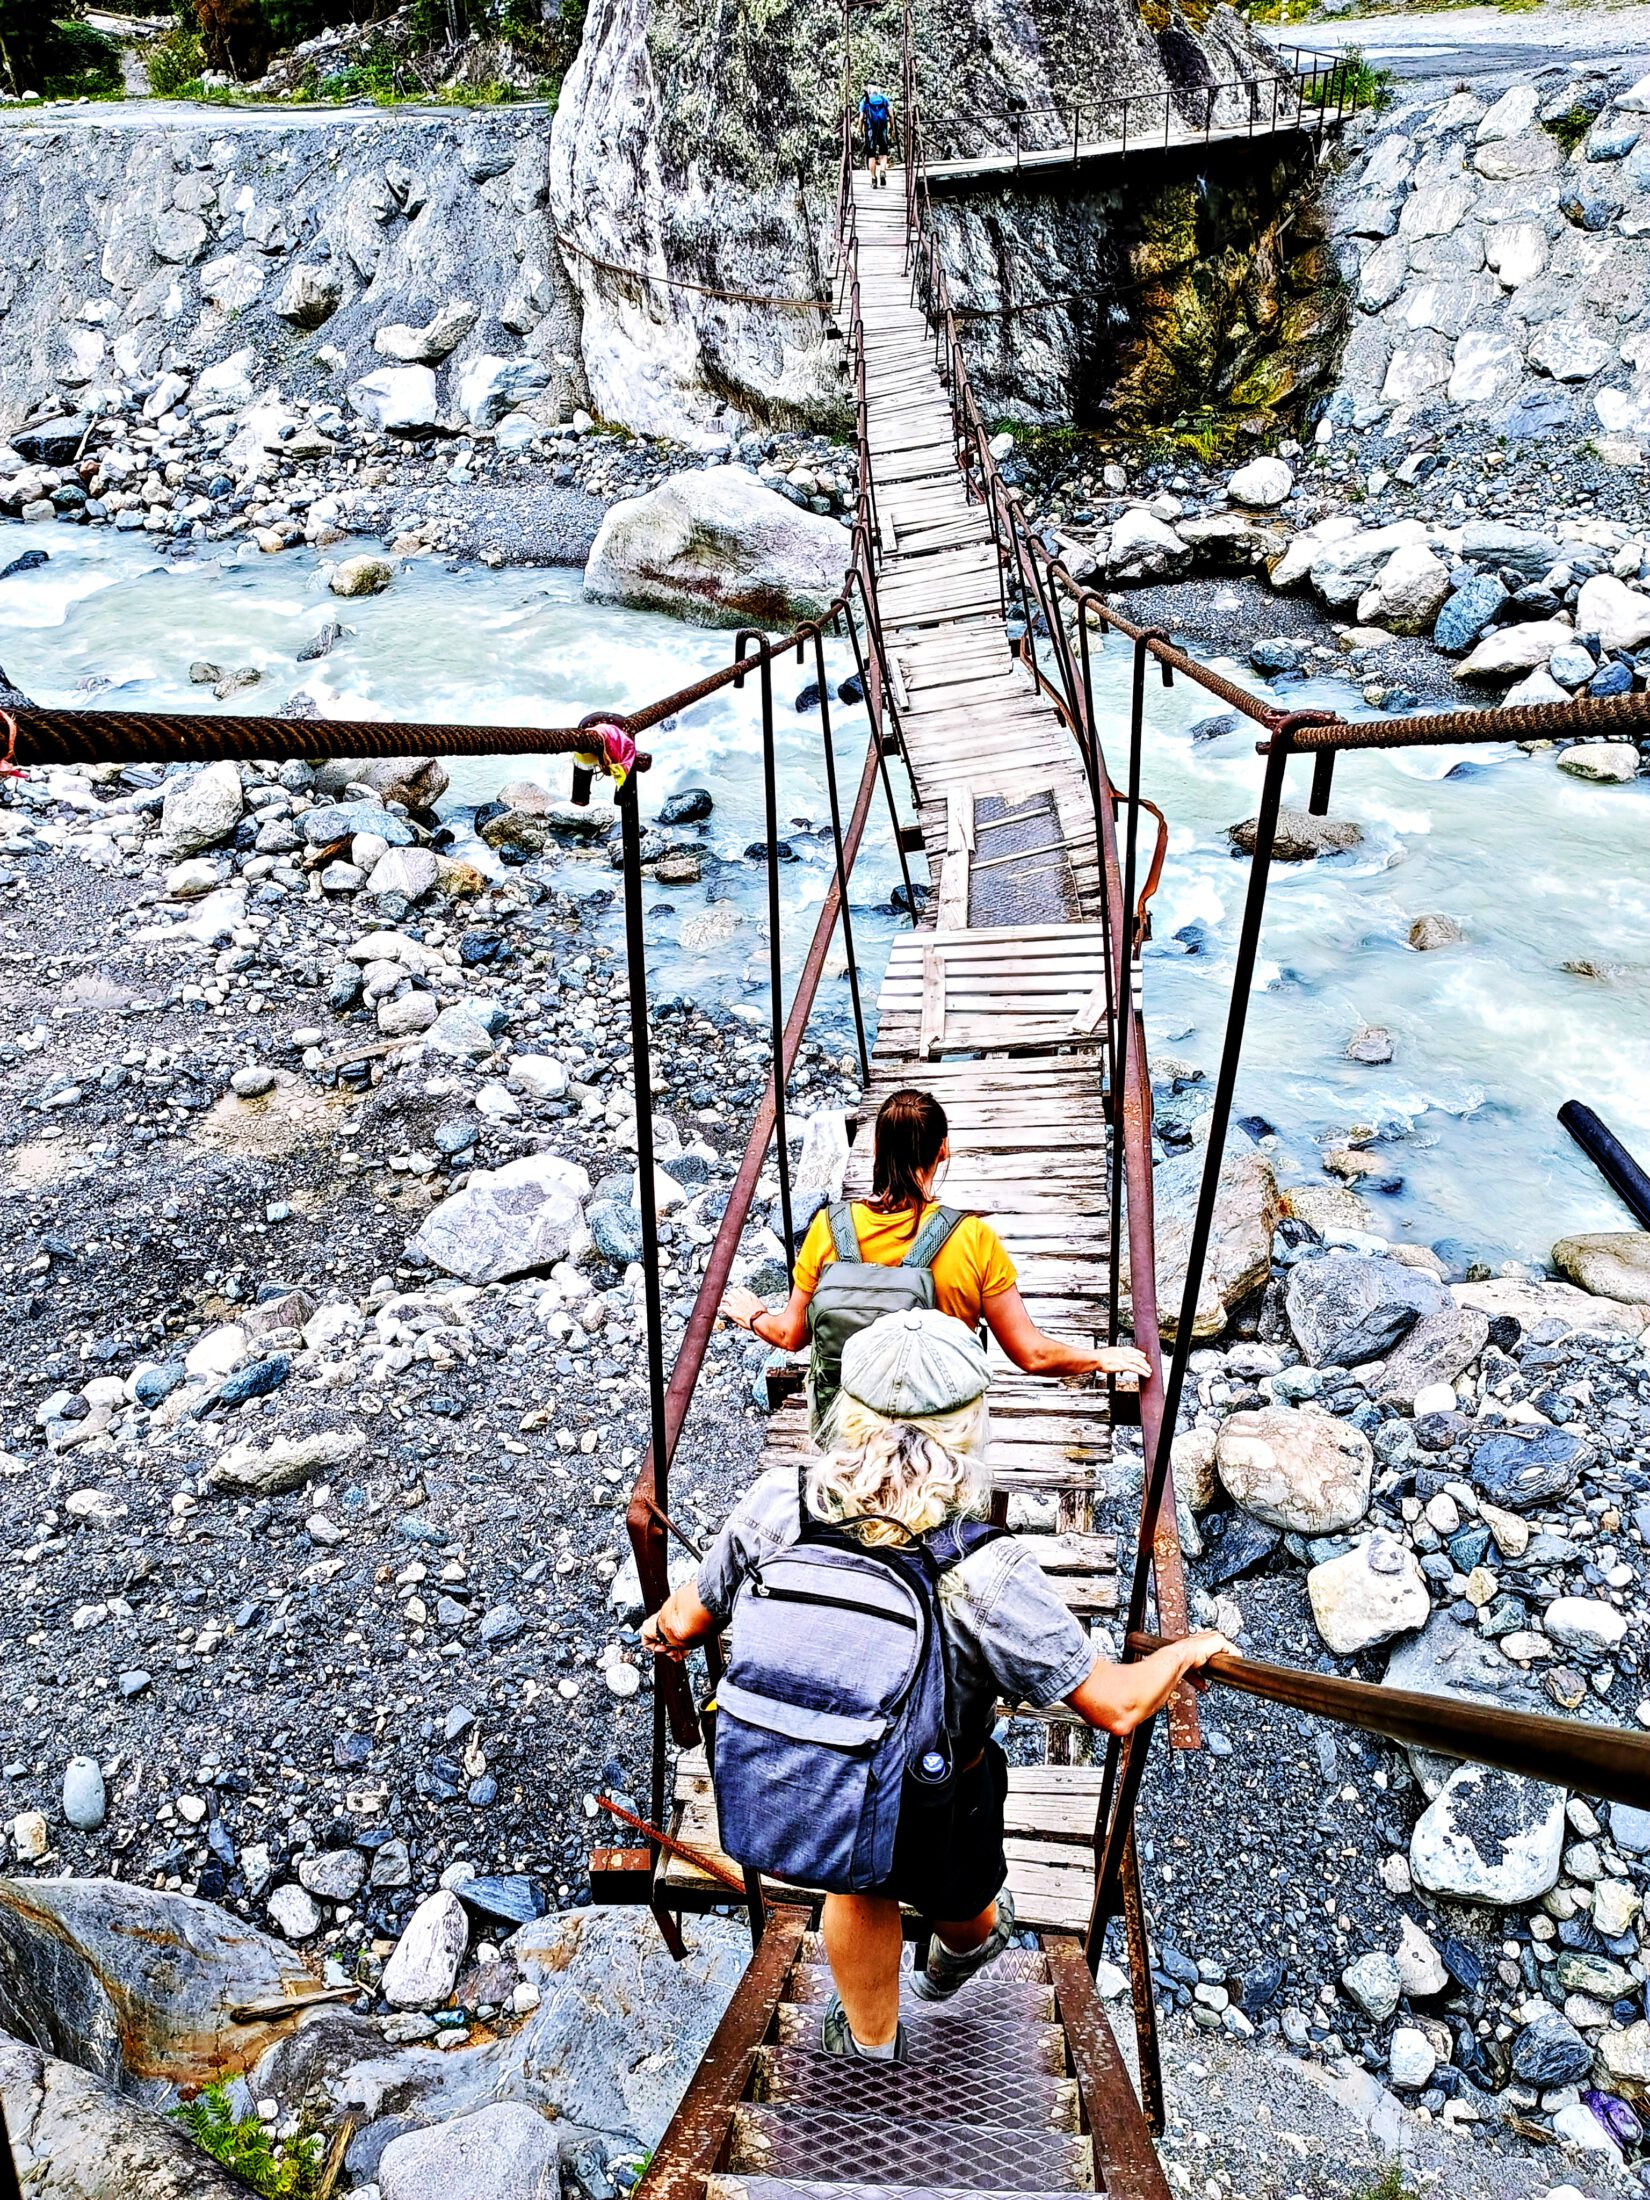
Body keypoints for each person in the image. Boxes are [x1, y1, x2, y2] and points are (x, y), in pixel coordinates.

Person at [642, 1308, 1235, 2061]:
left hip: (808, 1775)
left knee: (856, 1886)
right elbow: (1115, 1706)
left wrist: (661, 1628)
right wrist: (1185, 1652)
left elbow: (689, 1621)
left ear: (841, 1411)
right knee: (967, 1895)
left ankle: (870, 2040)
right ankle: (960, 1957)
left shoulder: (776, 1507)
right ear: (967, 1428)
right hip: (938, 1794)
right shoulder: (985, 1570)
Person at [721, 1085, 1153, 1389]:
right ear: (943, 1149)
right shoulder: (972, 1239)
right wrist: (1099, 1357)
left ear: (876, 1150)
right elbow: (1031, 1355)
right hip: (940, 1426)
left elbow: (792, 1336)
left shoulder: (828, 1229)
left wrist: (755, 1314)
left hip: (852, 1419)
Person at [859, 81, 893, 187]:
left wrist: (860, 130)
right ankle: (882, 171)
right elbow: (891, 115)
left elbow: (861, 118)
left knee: (871, 155)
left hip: (870, 130)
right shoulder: (884, 98)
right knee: (883, 152)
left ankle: (874, 180)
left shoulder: (865, 100)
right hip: (882, 128)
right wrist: (893, 128)